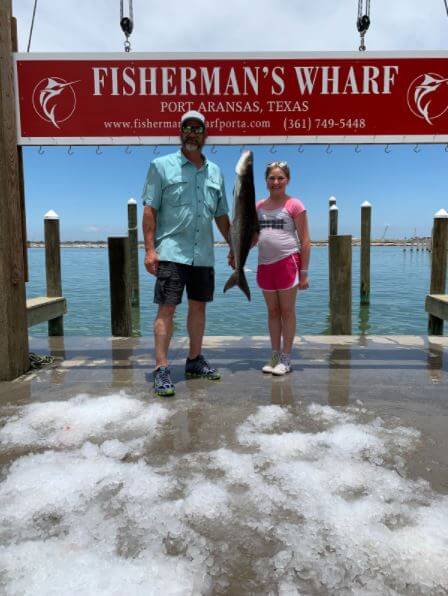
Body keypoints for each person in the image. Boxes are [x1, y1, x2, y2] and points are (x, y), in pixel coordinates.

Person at [142, 111, 231, 397]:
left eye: (198, 129)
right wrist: (149, 250)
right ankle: (161, 368)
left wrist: (234, 246)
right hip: (171, 252)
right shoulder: (161, 166)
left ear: (205, 135)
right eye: (187, 128)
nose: (192, 133)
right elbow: (149, 210)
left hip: (203, 254)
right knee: (166, 308)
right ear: (180, 133)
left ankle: (194, 360)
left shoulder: (215, 171)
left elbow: (221, 215)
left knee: (199, 307)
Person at [255, 161, 311, 375]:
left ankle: (286, 358)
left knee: (287, 311)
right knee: (272, 311)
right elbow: (252, 237)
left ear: (287, 180)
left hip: (288, 262)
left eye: (280, 178)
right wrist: (235, 252)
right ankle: (274, 354)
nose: (276, 182)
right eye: (272, 178)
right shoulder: (258, 206)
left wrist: (304, 272)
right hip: (264, 265)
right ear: (266, 180)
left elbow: (305, 240)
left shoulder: (294, 204)